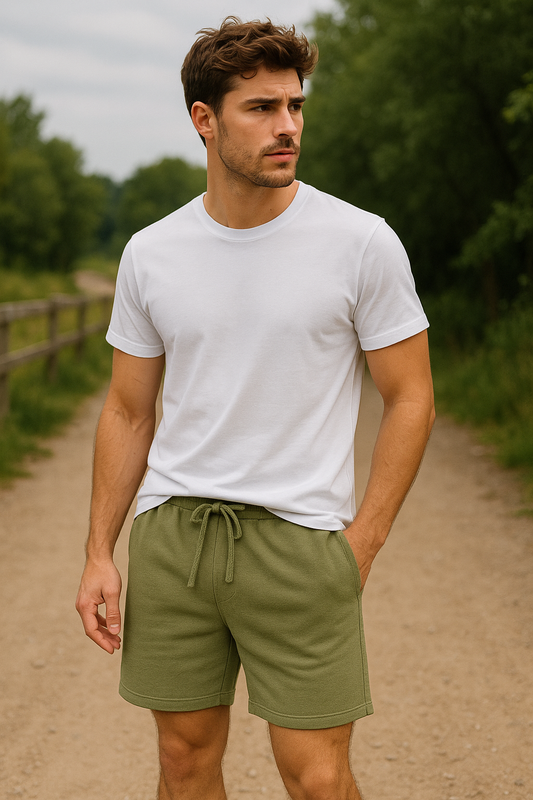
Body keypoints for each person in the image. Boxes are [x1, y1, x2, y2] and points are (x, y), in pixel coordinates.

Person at [76, 16, 435, 800]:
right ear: (203, 119)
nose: (287, 127)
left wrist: (360, 545)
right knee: (182, 763)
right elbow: (129, 412)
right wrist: (100, 552)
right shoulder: (151, 252)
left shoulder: (359, 241)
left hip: (300, 542)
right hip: (176, 539)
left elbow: (410, 397)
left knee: (315, 777)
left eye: (295, 106)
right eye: (261, 108)